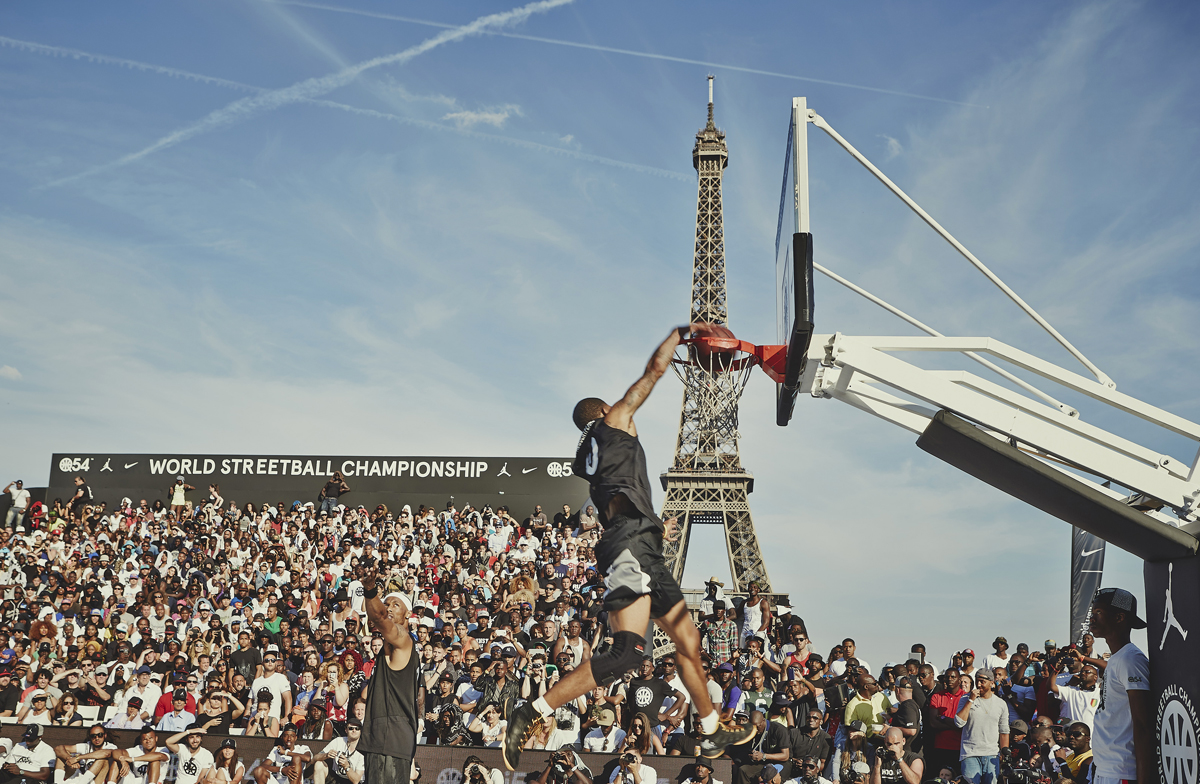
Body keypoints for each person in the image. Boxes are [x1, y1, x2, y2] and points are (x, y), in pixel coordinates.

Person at [502, 325, 754, 770]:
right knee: (640, 650)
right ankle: (533, 711)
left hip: (633, 543)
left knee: (666, 645)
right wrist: (680, 334)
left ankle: (711, 729)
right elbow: (654, 371)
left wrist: (655, 527)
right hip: (631, 547)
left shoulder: (586, 458)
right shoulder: (616, 419)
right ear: (603, 411)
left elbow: (618, 498)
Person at [357, 567, 418, 783]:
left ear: (408, 614)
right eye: (388, 602)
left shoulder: (402, 638)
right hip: (389, 736)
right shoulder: (391, 648)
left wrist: (371, 590)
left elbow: (380, 617)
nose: (389, 608)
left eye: (396, 605)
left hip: (389, 737)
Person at [1087, 588, 1151, 784]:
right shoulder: (1117, 658)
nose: (1092, 618)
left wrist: (1144, 780)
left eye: (1098, 612)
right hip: (1106, 770)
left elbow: (1143, 725)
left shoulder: (1130, 659)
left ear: (1119, 617)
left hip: (1122, 772)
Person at [953, 671, 1009, 784]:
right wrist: (970, 700)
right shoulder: (965, 699)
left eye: (982, 682)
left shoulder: (1001, 704)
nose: (979, 685)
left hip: (991, 753)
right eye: (977, 681)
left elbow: (1004, 731)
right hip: (970, 753)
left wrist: (1004, 753)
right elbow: (959, 722)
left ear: (991, 683)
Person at [312, 717, 365, 784]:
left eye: (357, 729)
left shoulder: (363, 749)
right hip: (336, 778)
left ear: (360, 731)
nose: (354, 730)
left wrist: (346, 766)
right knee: (319, 764)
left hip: (352, 780)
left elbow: (356, 780)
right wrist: (326, 755)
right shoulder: (338, 741)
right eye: (351, 728)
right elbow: (314, 759)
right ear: (346, 730)